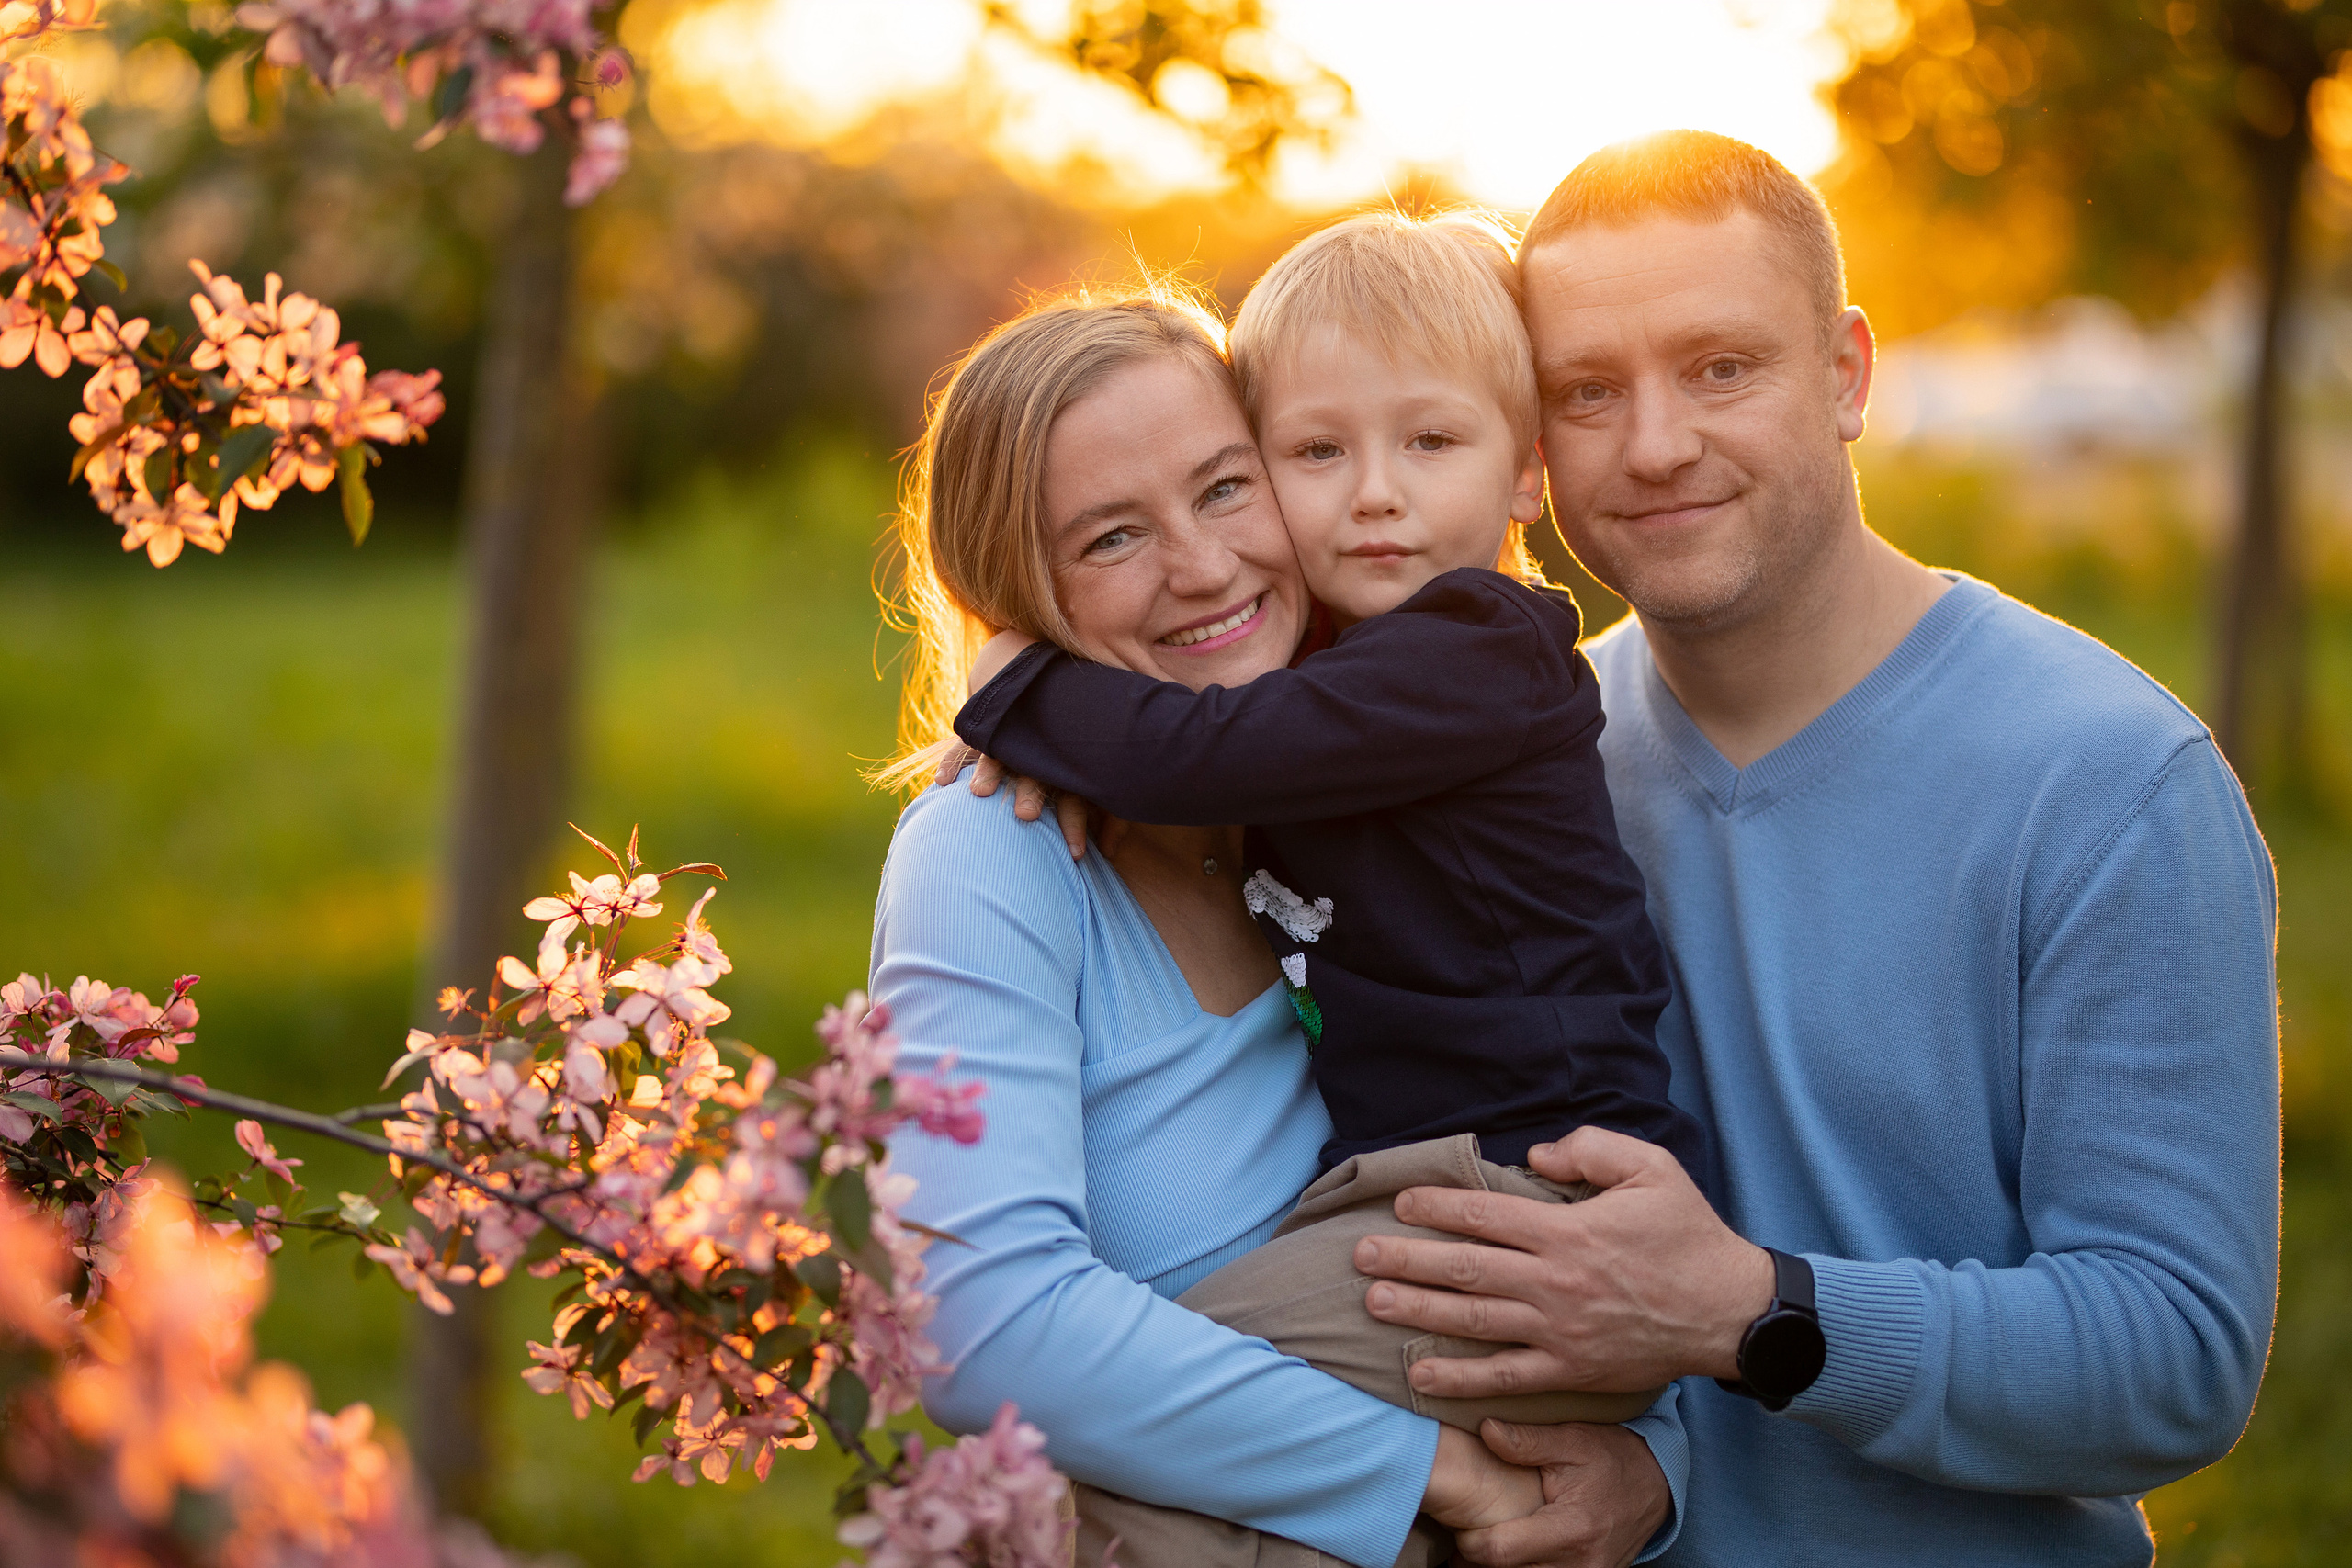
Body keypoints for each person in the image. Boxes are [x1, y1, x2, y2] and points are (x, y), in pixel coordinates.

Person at [1346, 130, 2281, 1567]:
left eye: (1722, 368)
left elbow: (2173, 1363)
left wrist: (1746, 1311)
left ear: (1846, 374)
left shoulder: (2107, 780)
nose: (1655, 444)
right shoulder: (1519, 767)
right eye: (1589, 391)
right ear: (1534, 440)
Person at [871, 284, 1675, 1568]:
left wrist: (1651, 1471)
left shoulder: (1336, 784)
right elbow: (982, 1330)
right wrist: (1441, 1478)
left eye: (1225, 488)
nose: (1203, 567)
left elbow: (1600, 1281)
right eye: (1112, 538)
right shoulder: (996, 849)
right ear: (1016, 590)